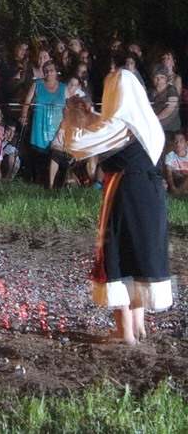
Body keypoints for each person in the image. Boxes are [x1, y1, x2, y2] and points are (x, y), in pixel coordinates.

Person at [64, 63, 171, 345]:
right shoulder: (146, 121)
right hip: (150, 194)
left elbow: (78, 146)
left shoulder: (121, 125)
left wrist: (73, 117)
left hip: (125, 193)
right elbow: (109, 129)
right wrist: (89, 114)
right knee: (139, 255)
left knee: (119, 254)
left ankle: (125, 333)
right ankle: (138, 327)